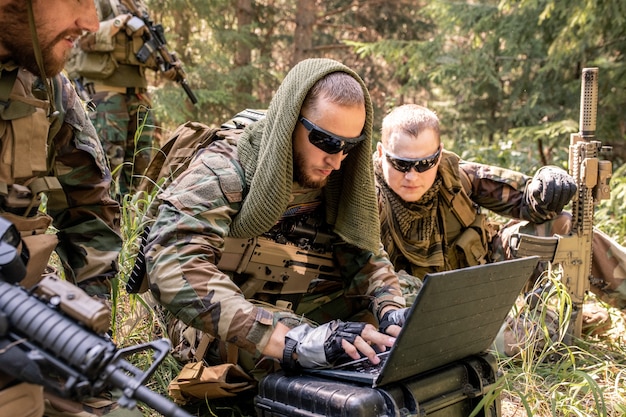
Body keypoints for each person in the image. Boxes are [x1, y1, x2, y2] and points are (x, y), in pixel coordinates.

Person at [144, 58, 415, 384]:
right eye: (327, 141)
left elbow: (366, 255)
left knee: (393, 345)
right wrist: (293, 341)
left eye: (350, 145)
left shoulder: (341, 177)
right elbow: (173, 262)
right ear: (290, 120)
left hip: (301, 301)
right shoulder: (225, 166)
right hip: (222, 317)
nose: (338, 159)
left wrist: (390, 310)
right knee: (318, 366)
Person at [373, 104, 626, 352]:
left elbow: (527, 200)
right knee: (479, 343)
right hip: (423, 307)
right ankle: (560, 325)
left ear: (438, 154)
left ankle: (559, 324)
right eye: (401, 164)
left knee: (566, 226)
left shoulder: (457, 177)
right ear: (382, 153)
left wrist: (546, 185)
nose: (412, 176)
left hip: (483, 277)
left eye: (424, 164)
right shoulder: (366, 200)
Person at [0, 1, 130, 416]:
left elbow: (88, 210)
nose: (91, 23)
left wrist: (83, 326)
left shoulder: (44, 87)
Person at [66, 0, 160, 198]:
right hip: (106, 92)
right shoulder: (101, 3)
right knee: (107, 160)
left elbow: (154, 54)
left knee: (140, 162)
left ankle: (133, 217)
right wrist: (120, 23)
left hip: (139, 93)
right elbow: (81, 38)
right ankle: (103, 217)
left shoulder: (140, 7)